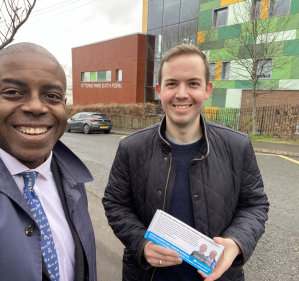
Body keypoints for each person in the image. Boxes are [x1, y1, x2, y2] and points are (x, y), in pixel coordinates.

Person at [102, 44, 269, 281]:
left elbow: (255, 205)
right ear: (159, 90)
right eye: (172, 84)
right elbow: (115, 204)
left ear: (207, 89)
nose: (182, 93)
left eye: (193, 83)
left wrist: (236, 242)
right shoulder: (131, 147)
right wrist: (141, 243)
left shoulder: (237, 145)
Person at [0, 43, 96, 281]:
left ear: (63, 105)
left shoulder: (73, 177)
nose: (36, 106)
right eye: (13, 92)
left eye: (51, 96)